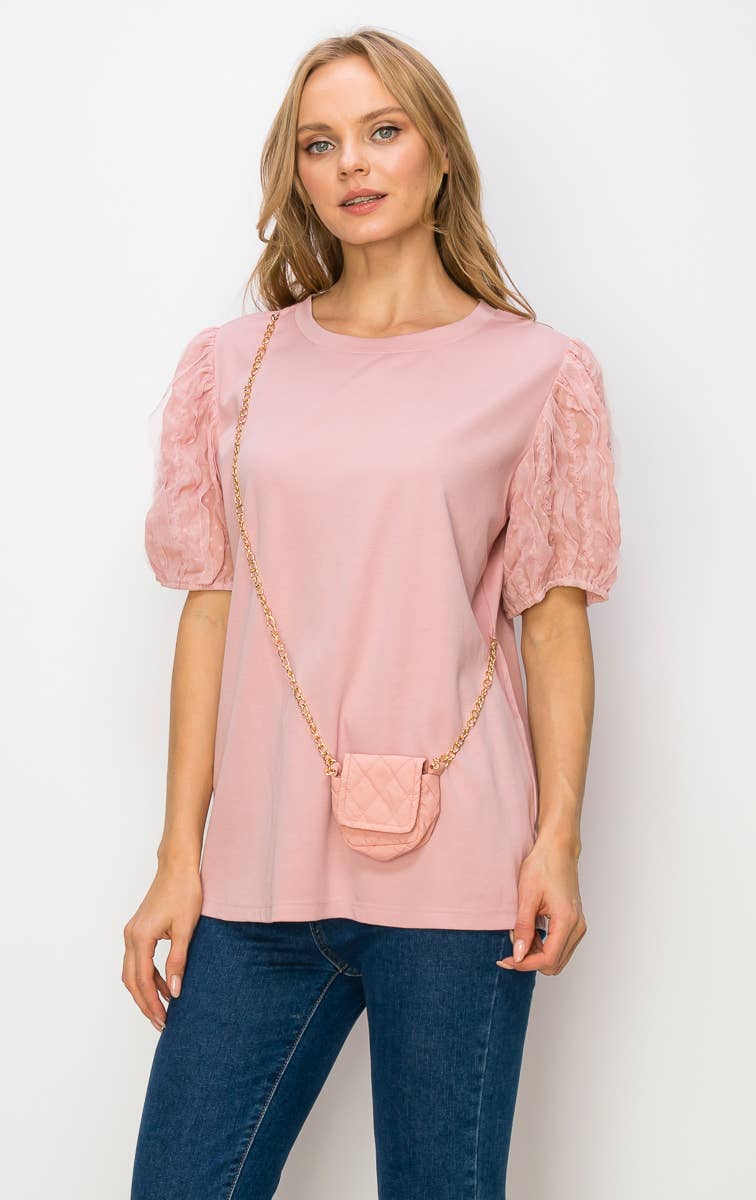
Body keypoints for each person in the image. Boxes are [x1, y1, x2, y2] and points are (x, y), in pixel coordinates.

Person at [125, 26, 621, 1200]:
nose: (351, 163)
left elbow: (552, 622)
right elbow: (210, 613)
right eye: (319, 143)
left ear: (439, 151)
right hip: (256, 878)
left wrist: (556, 842)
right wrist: (178, 857)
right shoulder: (233, 365)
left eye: (382, 130)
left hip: (460, 871)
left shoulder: (537, 372)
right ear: (294, 172)